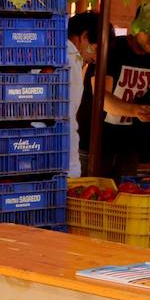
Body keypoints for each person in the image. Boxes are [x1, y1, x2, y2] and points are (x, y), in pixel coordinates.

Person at [98, 30, 150, 177]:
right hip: (97, 138)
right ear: (137, 27)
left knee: (126, 191)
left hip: (130, 141)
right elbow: (102, 98)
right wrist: (136, 110)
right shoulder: (114, 47)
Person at [66, 11, 101, 176]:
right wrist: (73, 167)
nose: (96, 58)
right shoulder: (70, 60)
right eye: (95, 49)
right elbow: (68, 117)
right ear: (84, 37)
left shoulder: (56, 51)